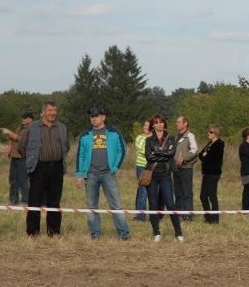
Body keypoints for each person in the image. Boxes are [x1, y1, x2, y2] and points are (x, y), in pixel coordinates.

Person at [75, 106, 130, 240]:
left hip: (108, 174)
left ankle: (124, 234)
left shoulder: (114, 132)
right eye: (91, 117)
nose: (93, 119)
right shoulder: (85, 135)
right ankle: (95, 234)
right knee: (91, 206)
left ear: (103, 117)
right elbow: (80, 155)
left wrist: (115, 167)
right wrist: (79, 174)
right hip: (91, 175)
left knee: (116, 205)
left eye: (96, 116)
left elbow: (121, 151)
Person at [18, 101, 69, 238]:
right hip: (38, 168)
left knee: (54, 200)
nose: (53, 113)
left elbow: (66, 146)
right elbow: (22, 147)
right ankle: (33, 232)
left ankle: (54, 231)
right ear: (44, 112)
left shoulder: (62, 128)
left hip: (57, 167)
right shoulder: (33, 127)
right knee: (34, 200)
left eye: (55, 110)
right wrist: (32, 159)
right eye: (50, 110)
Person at [145, 114, 183, 242]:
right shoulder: (148, 140)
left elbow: (171, 153)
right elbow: (149, 157)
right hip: (152, 174)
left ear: (164, 124)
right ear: (153, 125)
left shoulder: (171, 138)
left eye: (161, 122)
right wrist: (164, 154)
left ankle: (178, 233)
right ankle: (156, 232)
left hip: (166, 174)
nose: (159, 124)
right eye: (156, 122)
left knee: (170, 204)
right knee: (153, 203)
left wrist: (157, 153)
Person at [0, 111, 33, 205]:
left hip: (23, 157)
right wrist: (9, 146)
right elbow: (13, 139)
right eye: (22, 117)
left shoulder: (31, 129)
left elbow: (20, 139)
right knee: (13, 180)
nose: (22, 119)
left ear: (30, 119)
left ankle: (25, 201)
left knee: (23, 180)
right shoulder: (20, 127)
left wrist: (9, 132)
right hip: (15, 156)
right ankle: (13, 201)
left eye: (25, 118)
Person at [173, 116, 198, 222]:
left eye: (179, 122)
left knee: (187, 192)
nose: (176, 124)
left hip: (186, 168)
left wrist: (184, 158)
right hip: (176, 168)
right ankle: (179, 212)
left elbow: (194, 150)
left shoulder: (190, 136)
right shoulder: (177, 137)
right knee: (178, 192)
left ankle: (188, 214)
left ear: (185, 124)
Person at [199, 125, 225, 224]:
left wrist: (205, 156)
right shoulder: (209, 143)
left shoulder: (219, 144)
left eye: (210, 132)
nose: (208, 134)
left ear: (216, 134)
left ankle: (215, 218)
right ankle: (208, 216)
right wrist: (205, 156)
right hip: (206, 173)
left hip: (213, 174)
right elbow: (201, 155)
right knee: (203, 196)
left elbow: (211, 159)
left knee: (212, 195)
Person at [133, 119, 150, 221]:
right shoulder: (139, 138)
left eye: (148, 125)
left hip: (152, 167)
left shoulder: (155, 137)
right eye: (145, 125)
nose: (146, 127)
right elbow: (142, 150)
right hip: (141, 167)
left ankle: (154, 215)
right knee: (142, 191)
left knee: (151, 192)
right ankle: (140, 217)